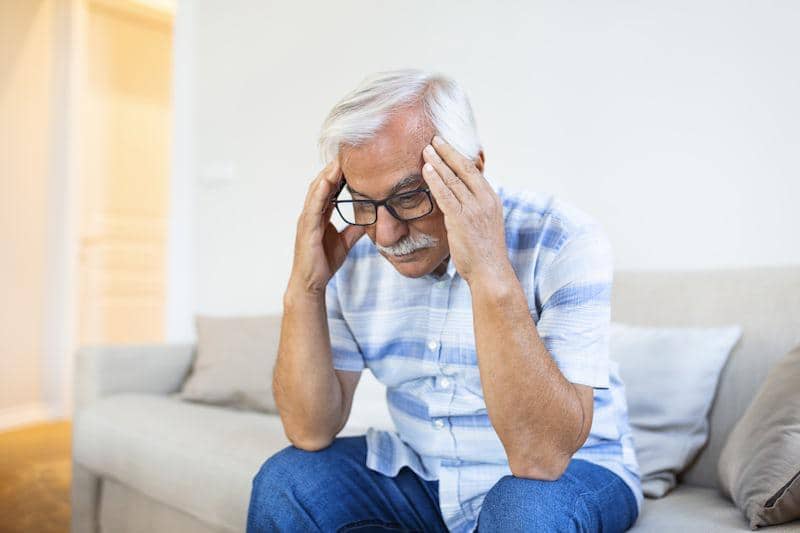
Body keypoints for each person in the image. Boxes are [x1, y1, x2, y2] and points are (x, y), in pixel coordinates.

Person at [246, 69, 642, 532]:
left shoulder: (561, 237)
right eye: (364, 203)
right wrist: (305, 287)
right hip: (424, 470)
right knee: (286, 482)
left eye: (410, 196)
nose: (386, 234)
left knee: (524, 511)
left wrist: (489, 270)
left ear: (472, 169)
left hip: (571, 470)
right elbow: (310, 431)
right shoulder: (352, 252)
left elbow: (542, 458)